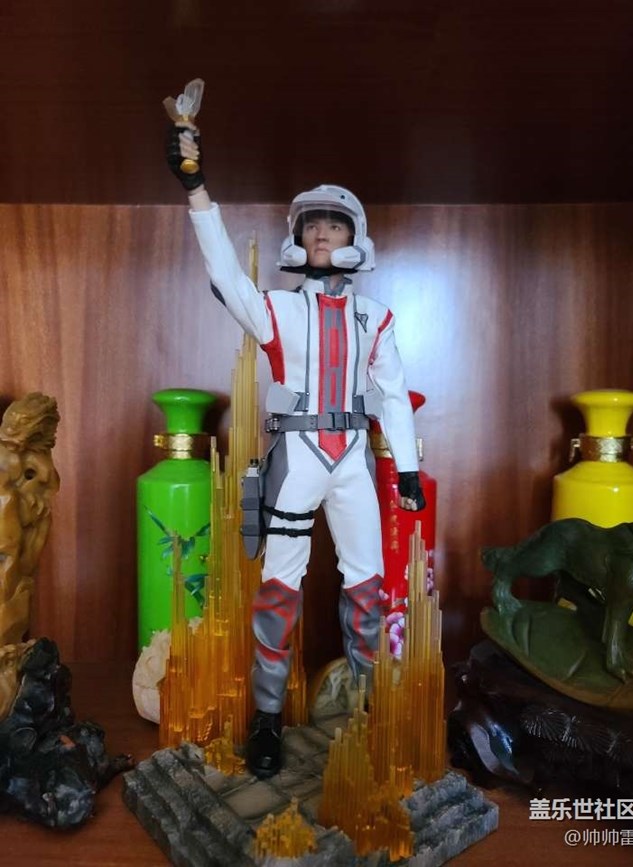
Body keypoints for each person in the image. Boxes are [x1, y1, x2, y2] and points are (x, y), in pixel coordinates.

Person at [166, 125, 425, 779]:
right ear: (298, 237)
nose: (322, 234)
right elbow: (225, 274)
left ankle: (367, 712)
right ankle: (265, 717)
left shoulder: (377, 317)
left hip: (354, 457)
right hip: (298, 453)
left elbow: (394, 394)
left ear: (354, 238)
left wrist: (409, 468)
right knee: (279, 587)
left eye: (334, 225)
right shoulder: (277, 308)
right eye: (313, 225)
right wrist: (197, 189)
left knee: (367, 586)